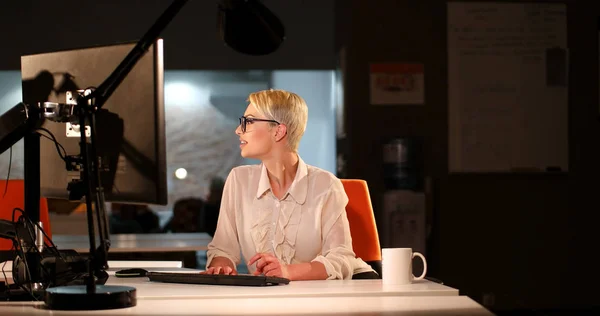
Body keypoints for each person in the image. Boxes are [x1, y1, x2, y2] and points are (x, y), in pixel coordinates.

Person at [205, 89, 377, 280]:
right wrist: (222, 266)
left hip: (332, 292)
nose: (239, 130)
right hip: (271, 298)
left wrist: (286, 272)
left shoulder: (326, 184)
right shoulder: (239, 179)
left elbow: (341, 259)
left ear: (279, 131)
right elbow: (223, 248)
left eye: (250, 121)